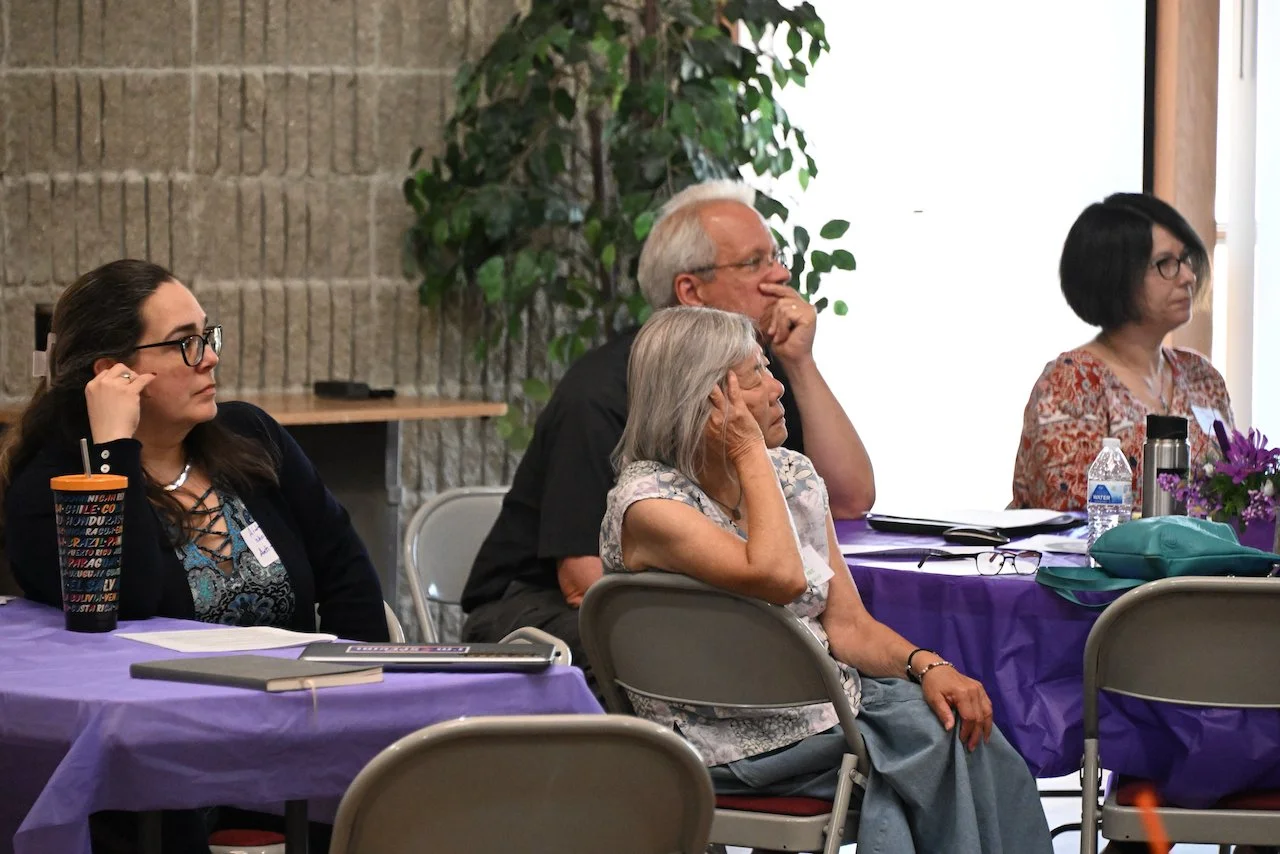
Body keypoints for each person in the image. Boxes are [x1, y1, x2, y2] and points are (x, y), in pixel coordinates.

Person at [600, 306, 1052, 852]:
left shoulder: (792, 475)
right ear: (707, 401)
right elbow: (779, 575)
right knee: (940, 747)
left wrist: (927, 665)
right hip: (714, 745)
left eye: (769, 369)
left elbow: (848, 627)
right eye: (755, 377)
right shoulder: (648, 504)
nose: (777, 390)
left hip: (826, 717)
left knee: (961, 727)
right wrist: (748, 450)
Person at [0, 259, 388, 852]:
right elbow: (128, 601)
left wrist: (362, 708)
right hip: (165, 765)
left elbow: (348, 574)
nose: (209, 358)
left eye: (207, 336)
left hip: (297, 736)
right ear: (114, 374)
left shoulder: (252, 437)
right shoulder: (54, 486)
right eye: (184, 343)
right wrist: (114, 450)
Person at [461, 180, 875, 685]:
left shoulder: (759, 375)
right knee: (712, 659)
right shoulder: (600, 392)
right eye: (754, 263)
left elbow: (850, 498)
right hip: (542, 608)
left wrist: (799, 361)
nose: (781, 275)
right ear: (690, 292)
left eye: (776, 257)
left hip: (698, 595)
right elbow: (582, 580)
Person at [1012, 193, 1234, 511]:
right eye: (1166, 264)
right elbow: (1072, 512)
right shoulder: (1072, 381)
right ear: (1115, 276)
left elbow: (1235, 492)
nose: (1188, 276)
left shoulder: (1203, 376)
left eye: (1185, 259)